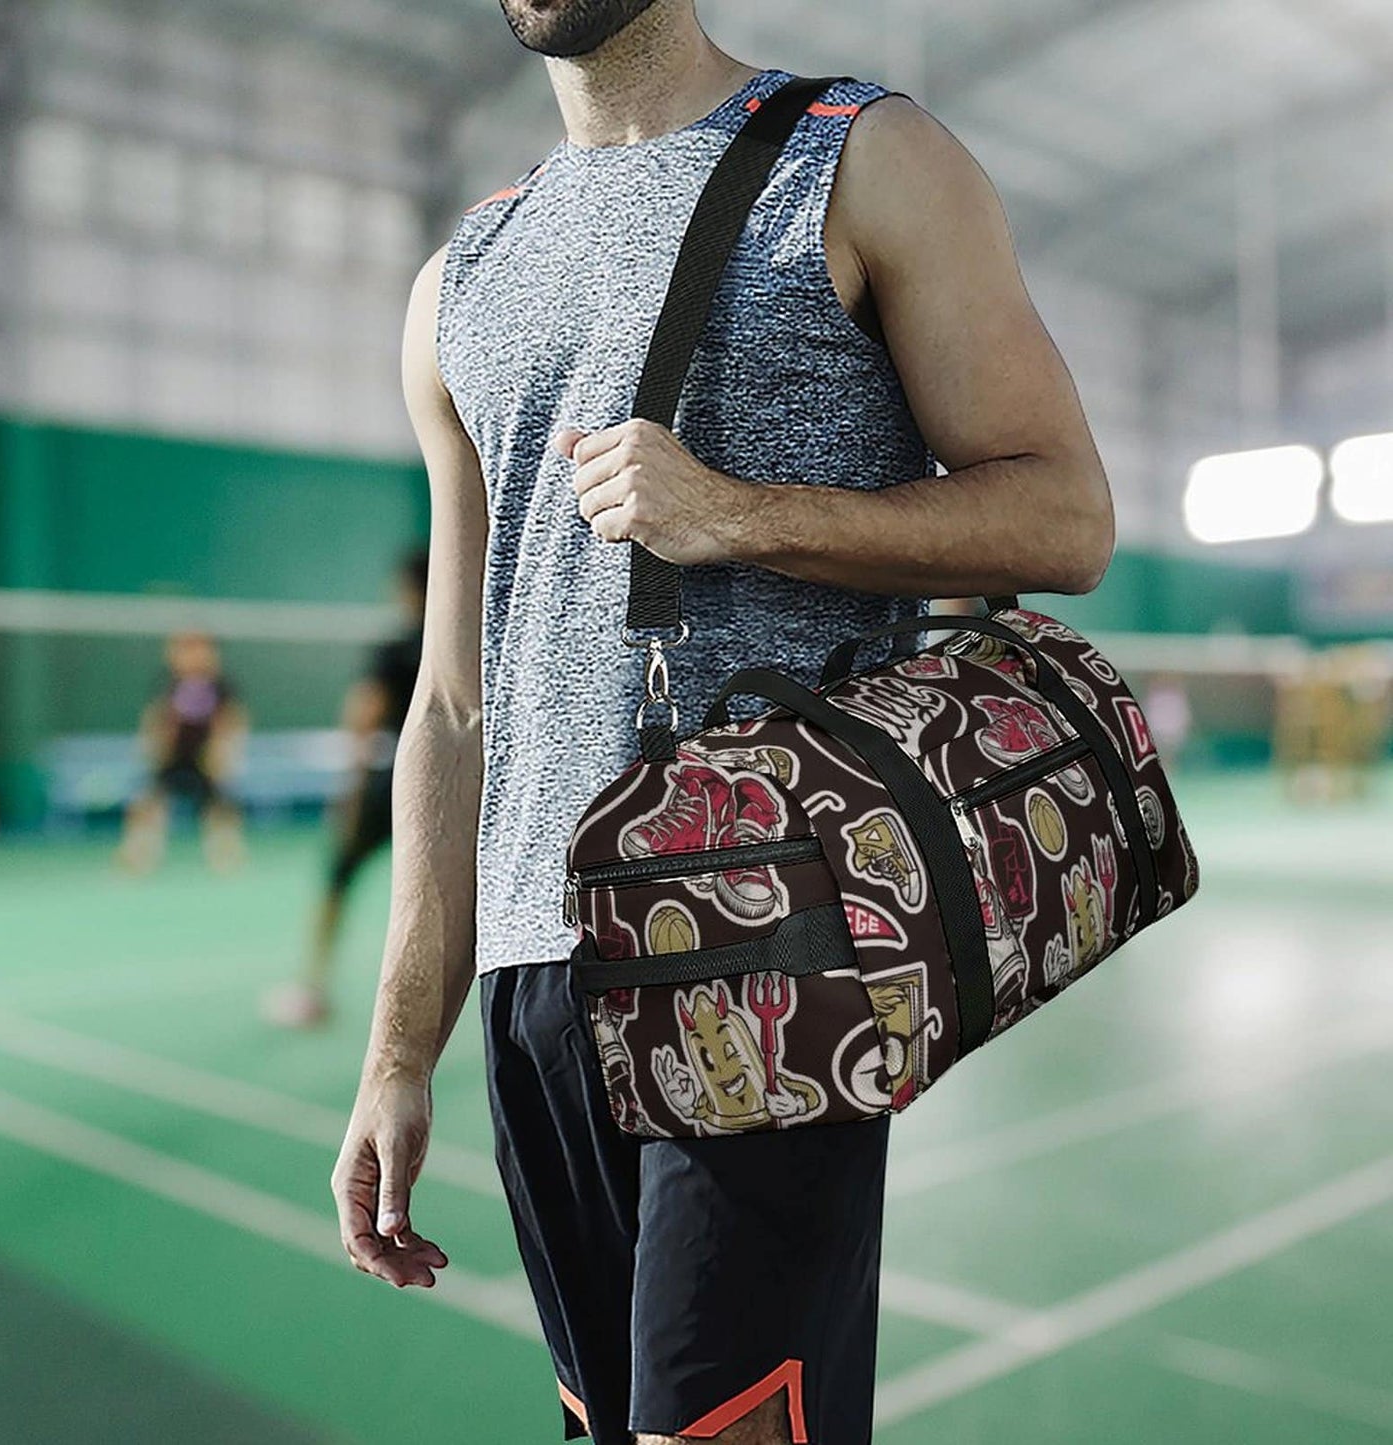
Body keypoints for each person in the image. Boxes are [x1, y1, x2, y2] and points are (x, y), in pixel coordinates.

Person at [330, 6, 1116, 1444]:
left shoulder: (864, 159)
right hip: (532, 971)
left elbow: (1063, 514)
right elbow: (452, 702)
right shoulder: (462, 279)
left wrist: (735, 515)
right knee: (604, 1423)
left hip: (765, 943)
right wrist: (396, 1052)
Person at [262, 548, 429, 1028]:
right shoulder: (462, 639)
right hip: (453, 781)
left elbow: (364, 714)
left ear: (406, 589)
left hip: (391, 780)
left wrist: (351, 790)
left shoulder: (394, 649)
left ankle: (312, 986)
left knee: (338, 878)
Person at [116, 630, 248, 874]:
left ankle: (227, 857)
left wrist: (225, 753)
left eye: (199, 648)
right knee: (148, 805)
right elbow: (155, 719)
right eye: (184, 649)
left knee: (222, 808)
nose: (192, 655)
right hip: (172, 758)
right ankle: (137, 857)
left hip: (207, 759)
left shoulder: (222, 685)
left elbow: (232, 720)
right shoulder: (168, 684)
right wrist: (152, 747)